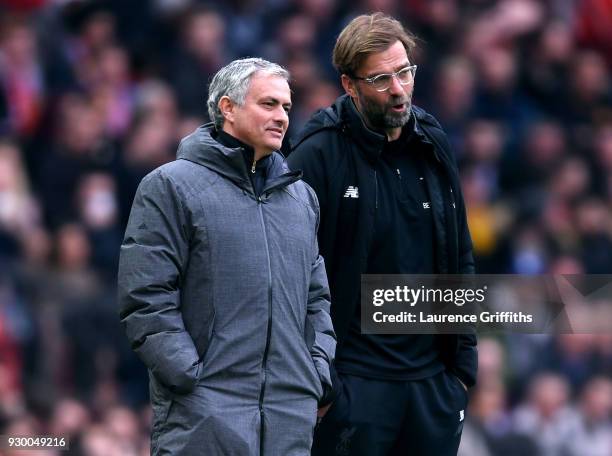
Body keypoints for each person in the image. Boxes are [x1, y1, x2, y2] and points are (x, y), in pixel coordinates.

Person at [118, 58, 335, 455]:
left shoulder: (302, 199)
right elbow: (145, 298)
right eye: (268, 104)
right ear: (227, 108)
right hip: (203, 416)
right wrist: (192, 379)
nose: (282, 117)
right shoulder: (170, 185)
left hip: (289, 419)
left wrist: (315, 372)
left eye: (286, 107)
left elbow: (316, 299)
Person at [288, 13, 476, 456]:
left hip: (433, 386)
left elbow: (459, 252)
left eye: (405, 72)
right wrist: (323, 380)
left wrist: (462, 370)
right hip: (354, 385)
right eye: (381, 78)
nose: (398, 89)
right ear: (349, 85)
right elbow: (292, 275)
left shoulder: (432, 139)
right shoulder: (317, 153)